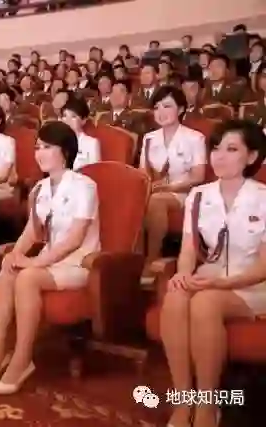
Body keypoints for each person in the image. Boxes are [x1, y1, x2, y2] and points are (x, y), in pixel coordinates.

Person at [0, 121, 100, 395]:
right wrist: (16, 254)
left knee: (28, 276)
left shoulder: (84, 186)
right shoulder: (39, 189)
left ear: (65, 151)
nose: (39, 153)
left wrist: (34, 262)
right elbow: (32, 232)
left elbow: (75, 239)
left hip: (78, 262)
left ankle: (22, 360)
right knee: (8, 269)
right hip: (49, 260)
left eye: (47, 147)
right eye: (37, 147)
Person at [160, 120, 266, 427]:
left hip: (253, 284)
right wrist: (182, 274)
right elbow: (189, 249)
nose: (219, 156)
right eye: (216, 148)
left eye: (231, 149)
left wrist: (223, 283)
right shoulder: (198, 195)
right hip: (212, 276)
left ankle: (207, 405)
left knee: (205, 302)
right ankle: (183, 399)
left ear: (251, 156)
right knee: (175, 296)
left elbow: (263, 267)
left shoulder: (263, 197)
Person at [140, 86, 207, 281]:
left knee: (156, 200)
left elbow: (198, 176)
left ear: (181, 109)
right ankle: (130, 258)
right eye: (157, 107)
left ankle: (152, 258)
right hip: (154, 189)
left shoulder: (195, 138)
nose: (161, 112)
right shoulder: (149, 138)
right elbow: (143, 173)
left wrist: (169, 187)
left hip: (184, 192)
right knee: (136, 199)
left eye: (167, 106)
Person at [60, 97, 101, 170]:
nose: (68, 121)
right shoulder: (56, 142)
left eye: (73, 116)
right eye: (65, 116)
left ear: (83, 120)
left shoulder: (91, 143)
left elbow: (96, 172)